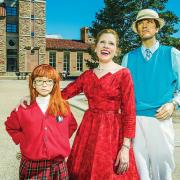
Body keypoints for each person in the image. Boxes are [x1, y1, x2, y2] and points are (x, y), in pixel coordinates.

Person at [18, 29, 139, 179]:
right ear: (95, 47)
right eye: (102, 42)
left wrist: (126, 147)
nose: (106, 46)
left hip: (112, 133)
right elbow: (63, 94)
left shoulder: (124, 73)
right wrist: (34, 98)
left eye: (111, 43)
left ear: (116, 50)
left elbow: (129, 112)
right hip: (88, 130)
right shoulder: (87, 75)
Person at [122, 9, 180, 180]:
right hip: (134, 122)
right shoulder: (127, 58)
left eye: (149, 22)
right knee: (140, 171)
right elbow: (123, 93)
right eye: (141, 22)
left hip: (160, 119)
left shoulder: (172, 54)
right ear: (137, 29)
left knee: (163, 169)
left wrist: (173, 103)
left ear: (156, 27)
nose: (144, 25)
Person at [5, 64, 77, 180]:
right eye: (39, 81)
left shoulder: (63, 107)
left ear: (54, 84)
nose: (44, 85)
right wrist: (24, 140)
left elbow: (72, 125)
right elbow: (10, 126)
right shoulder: (23, 108)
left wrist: (59, 139)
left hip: (58, 164)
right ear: (33, 84)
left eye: (49, 81)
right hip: (32, 165)